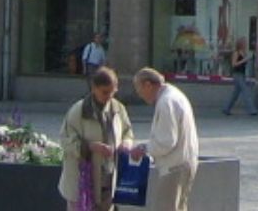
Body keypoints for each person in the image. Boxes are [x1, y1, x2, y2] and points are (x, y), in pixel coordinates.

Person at [60, 67, 134, 211]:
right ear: (94, 88)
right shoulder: (78, 111)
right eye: (105, 92)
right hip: (82, 184)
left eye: (113, 91)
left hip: (108, 181)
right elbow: (65, 142)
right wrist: (90, 147)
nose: (109, 96)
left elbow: (127, 131)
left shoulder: (118, 108)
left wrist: (126, 143)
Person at [134, 68, 200, 211]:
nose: (140, 95)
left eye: (139, 90)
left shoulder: (165, 102)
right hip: (185, 163)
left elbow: (166, 142)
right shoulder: (175, 95)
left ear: (148, 85)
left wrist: (144, 149)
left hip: (174, 167)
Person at [222, 36, 258, 117]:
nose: (245, 44)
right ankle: (252, 110)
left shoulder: (243, 52)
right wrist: (244, 60)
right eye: (244, 42)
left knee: (235, 94)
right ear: (241, 44)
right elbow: (234, 64)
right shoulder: (236, 53)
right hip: (237, 74)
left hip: (242, 74)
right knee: (246, 91)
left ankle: (226, 108)